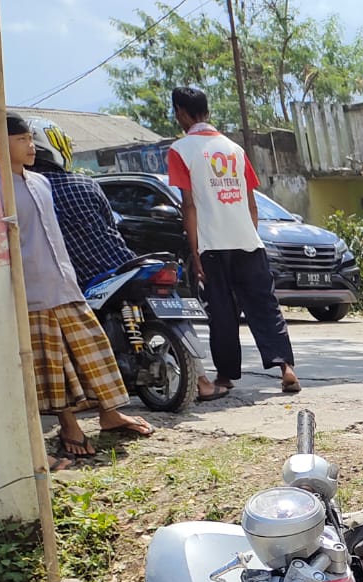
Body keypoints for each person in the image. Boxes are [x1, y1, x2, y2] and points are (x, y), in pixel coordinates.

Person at [0, 112, 153, 466]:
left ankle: (110, 415)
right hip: (30, 291)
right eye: (20, 140)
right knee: (55, 366)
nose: (30, 146)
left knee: (94, 350)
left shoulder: (41, 183)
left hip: (64, 281)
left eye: (31, 139)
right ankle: (69, 427)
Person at [27, 121, 228, 402]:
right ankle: (203, 381)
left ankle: (86, 389)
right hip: (126, 264)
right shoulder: (86, 184)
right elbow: (112, 225)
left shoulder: (30, 190)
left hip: (82, 277)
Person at [166, 86, 300, 394]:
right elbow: (251, 202)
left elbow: (189, 204)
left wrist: (195, 251)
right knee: (265, 305)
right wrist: (250, 233)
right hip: (248, 240)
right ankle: (286, 367)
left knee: (222, 312)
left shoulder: (180, 150)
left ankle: (225, 378)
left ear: (182, 113)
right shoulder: (234, 149)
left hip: (213, 243)